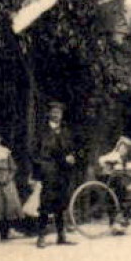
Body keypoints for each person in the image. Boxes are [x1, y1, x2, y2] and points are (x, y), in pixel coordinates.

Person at [33, 103, 80, 247]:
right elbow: (35, 152)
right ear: (49, 114)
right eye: (53, 112)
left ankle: (61, 236)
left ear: (62, 115)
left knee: (61, 202)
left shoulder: (66, 131)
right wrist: (39, 169)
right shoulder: (42, 131)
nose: (56, 115)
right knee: (46, 202)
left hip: (63, 171)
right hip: (49, 170)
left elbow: (72, 148)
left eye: (58, 112)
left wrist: (72, 156)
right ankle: (41, 236)